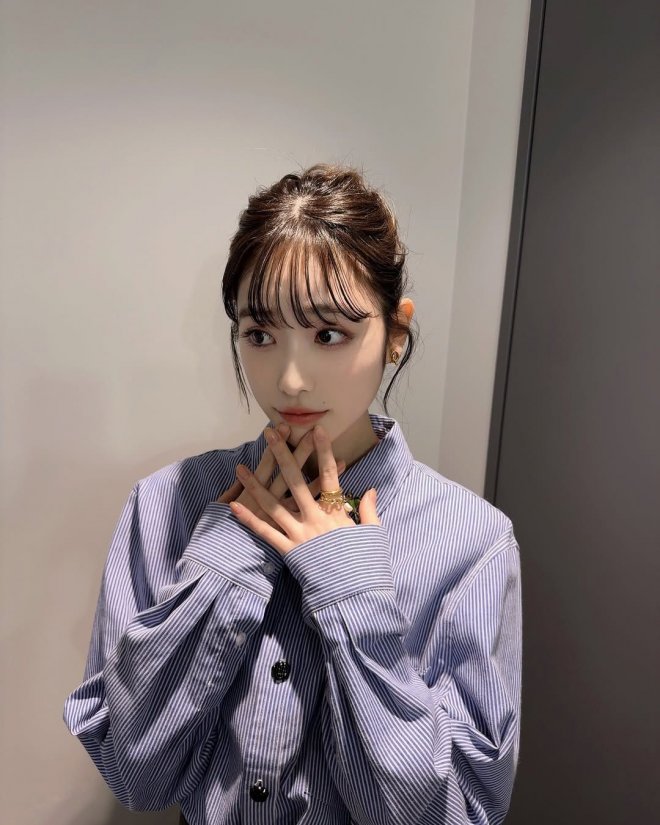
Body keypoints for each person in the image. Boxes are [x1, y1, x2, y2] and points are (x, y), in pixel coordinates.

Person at [63, 163, 522, 825]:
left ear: (396, 331)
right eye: (260, 335)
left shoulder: (472, 540)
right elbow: (136, 775)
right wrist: (223, 562)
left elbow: (460, 811)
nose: (290, 379)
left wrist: (350, 594)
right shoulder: (165, 504)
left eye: (329, 334)